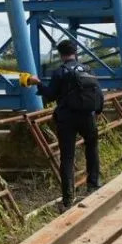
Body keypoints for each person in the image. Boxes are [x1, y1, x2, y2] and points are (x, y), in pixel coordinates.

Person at [25, 40, 104, 210]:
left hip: (67, 119)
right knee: (92, 149)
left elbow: (52, 95)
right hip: (87, 117)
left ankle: (68, 199)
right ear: (75, 53)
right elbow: (97, 93)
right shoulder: (88, 69)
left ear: (60, 55)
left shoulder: (60, 72)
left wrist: (37, 83)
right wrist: (96, 112)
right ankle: (94, 185)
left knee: (67, 157)